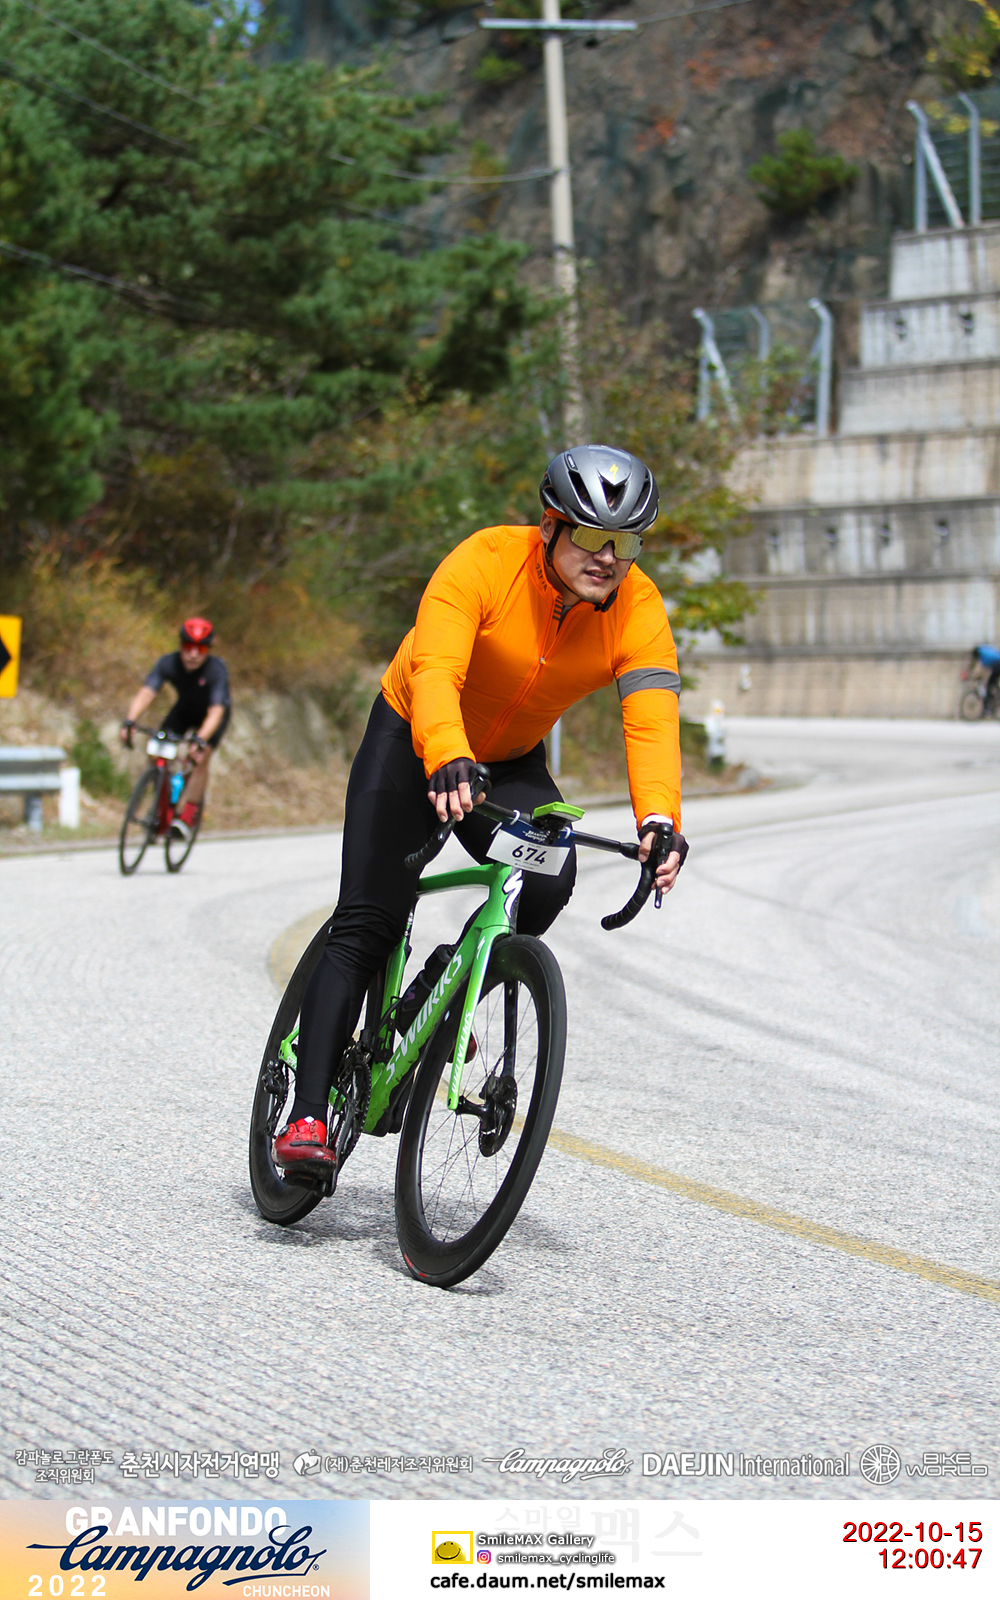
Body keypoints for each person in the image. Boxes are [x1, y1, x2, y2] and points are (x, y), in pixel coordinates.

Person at [274, 444, 687, 1176]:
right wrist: (444, 752)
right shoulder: (485, 561)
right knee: (369, 919)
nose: (608, 558)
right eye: (591, 536)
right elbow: (436, 669)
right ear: (550, 525)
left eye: (626, 543)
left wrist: (659, 820)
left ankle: (440, 994)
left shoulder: (638, 607)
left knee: (549, 878)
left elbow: (651, 719)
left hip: (511, 761)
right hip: (415, 735)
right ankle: (305, 1116)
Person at [120, 618, 231, 839]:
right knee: (156, 751)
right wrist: (130, 721)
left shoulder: (216, 670)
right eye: (188, 647)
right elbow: (147, 693)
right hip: (184, 711)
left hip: (211, 717)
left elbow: (216, 712)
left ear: (208, 650)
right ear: (180, 645)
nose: (193, 654)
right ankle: (160, 807)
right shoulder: (168, 663)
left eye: (200, 649)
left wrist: (201, 739)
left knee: (201, 757)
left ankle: (187, 817)